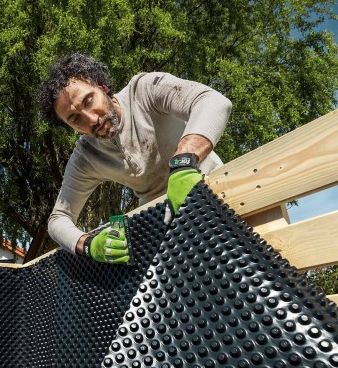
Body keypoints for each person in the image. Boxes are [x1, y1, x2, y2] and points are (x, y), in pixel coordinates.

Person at [36, 52, 232, 264]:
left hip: (214, 191)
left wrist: (184, 163)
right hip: (160, 226)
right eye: (76, 119)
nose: (92, 119)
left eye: (89, 101)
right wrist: (90, 244)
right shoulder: (86, 156)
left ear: (102, 86)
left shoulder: (145, 90)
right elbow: (58, 220)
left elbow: (213, 101)